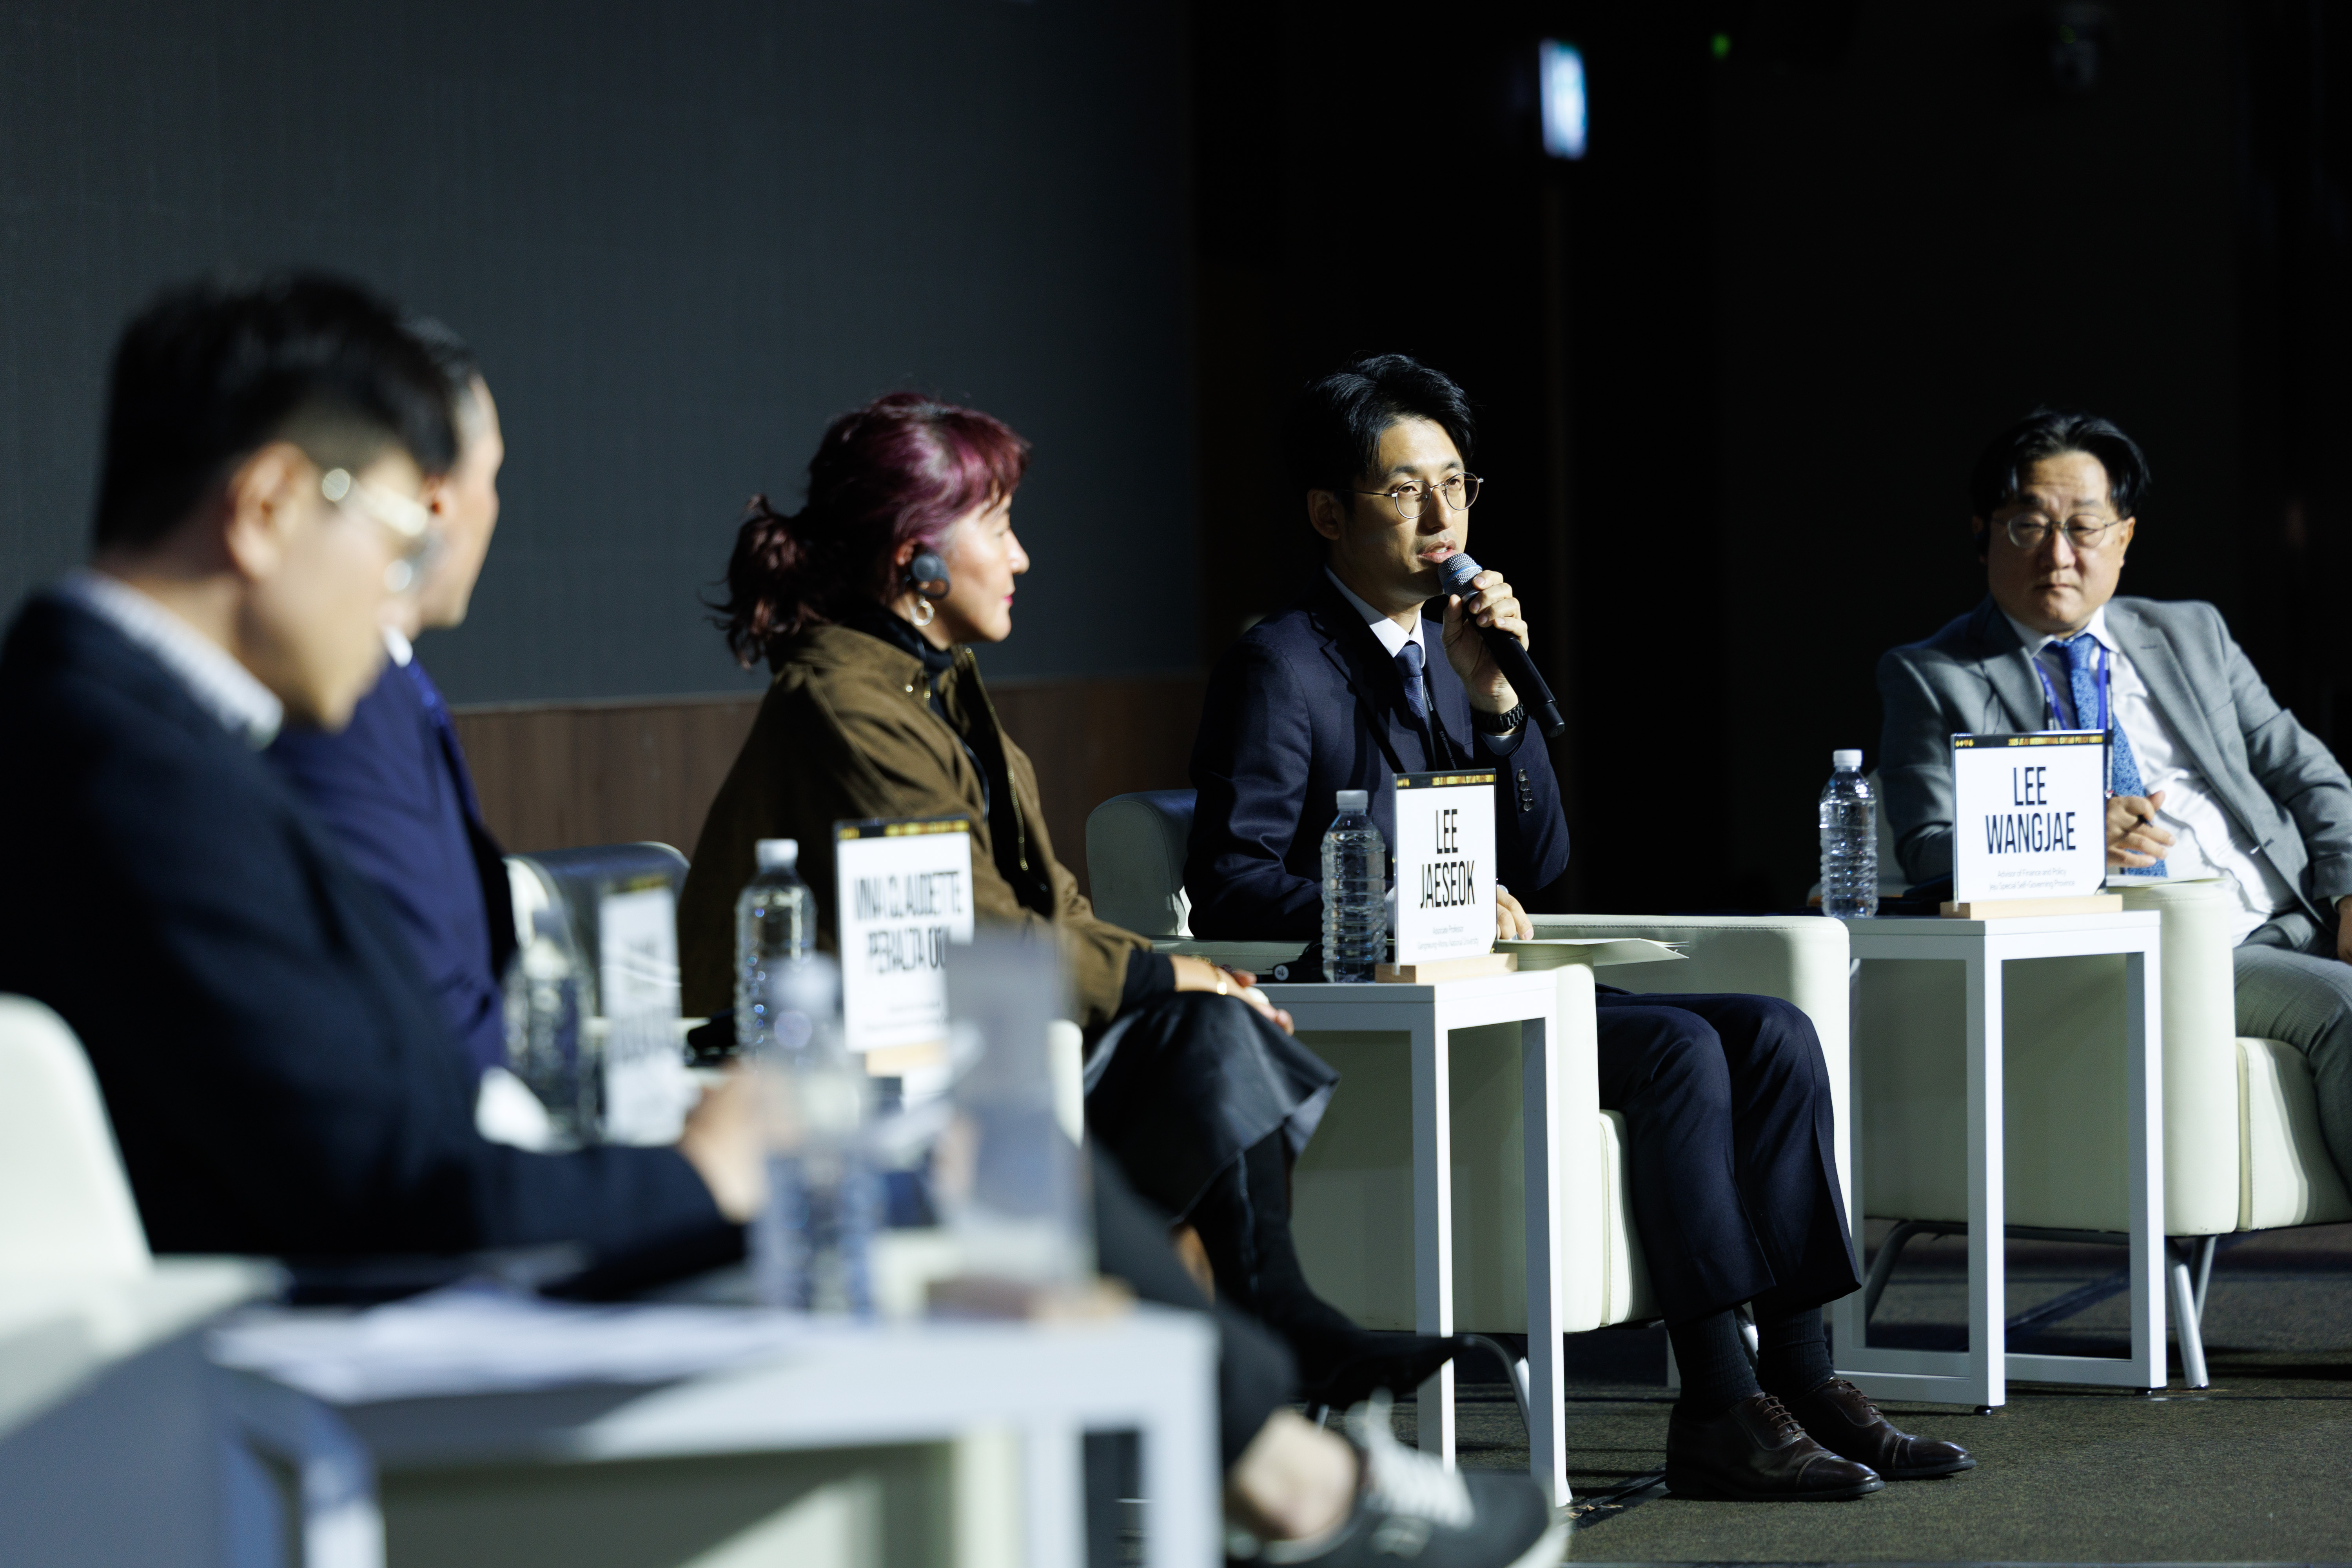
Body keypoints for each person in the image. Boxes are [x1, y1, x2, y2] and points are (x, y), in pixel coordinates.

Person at [1188, 354, 1974, 1501]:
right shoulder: (1280, 665)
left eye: (1457, 484)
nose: (1443, 515)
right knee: (1679, 1048)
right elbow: (1230, 883)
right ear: (1328, 512)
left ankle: (1803, 1376)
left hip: (1489, 994)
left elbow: (1543, 865)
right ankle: (1717, 1403)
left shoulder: (1449, 652)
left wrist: (1498, 705)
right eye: (1405, 489)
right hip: (1381, 1023)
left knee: (1773, 1033)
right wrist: (1395, 908)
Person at [675, 392, 1463, 1406]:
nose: (1022, 556)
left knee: (1210, 1025)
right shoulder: (847, 703)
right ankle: (1273, 1342)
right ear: (916, 557)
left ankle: (1268, 1344)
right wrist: (1169, 977)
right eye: (999, 525)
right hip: (858, 1082)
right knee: (1197, 1029)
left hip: (974, 1052)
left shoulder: (934, 683)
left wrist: (1194, 978)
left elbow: (1054, 906)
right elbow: (979, 937)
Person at [0, 272, 760, 1260]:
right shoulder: (133, 780)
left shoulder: (113, 731)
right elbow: (394, 1190)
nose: (400, 589)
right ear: (268, 507)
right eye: (401, 542)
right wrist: (707, 1173)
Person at [1878, 408, 2352, 1190]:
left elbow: (2312, 775)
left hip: (2300, 916)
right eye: (2030, 525)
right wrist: (2068, 833)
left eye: (2085, 527)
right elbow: (1928, 849)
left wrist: (2347, 891)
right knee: (2345, 1007)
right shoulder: (1934, 676)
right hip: (2169, 951)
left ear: (2124, 538)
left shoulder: (2191, 633)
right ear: (1983, 534)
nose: (2059, 555)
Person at [267, 316, 514, 1074]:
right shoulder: (347, 707)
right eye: (491, 478)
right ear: (435, 501)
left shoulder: (388, 688)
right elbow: (424, 1008)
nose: (495, 506)